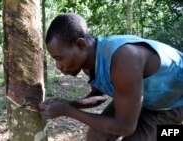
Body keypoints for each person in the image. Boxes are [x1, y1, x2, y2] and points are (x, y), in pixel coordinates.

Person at [39, 13, 183, 141]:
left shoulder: (124, 59)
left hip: (171, 104)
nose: (58, 65)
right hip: (138, 98)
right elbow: (99, 96)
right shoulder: (89, 61)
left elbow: (125, 127)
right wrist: (71, 104)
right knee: (97, 136)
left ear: (80, 45)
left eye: (59, 58)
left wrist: (67, 111)